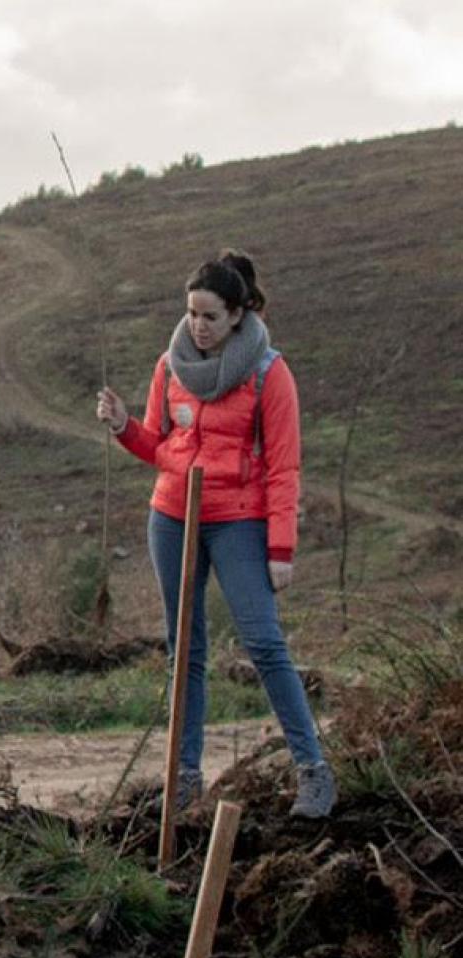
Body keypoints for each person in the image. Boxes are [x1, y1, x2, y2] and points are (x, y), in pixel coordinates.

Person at [95, 250, 334, 818]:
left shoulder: (269, 373)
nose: (198, 326)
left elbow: (285, 467)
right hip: (171, 516)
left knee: (264, 643)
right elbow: (161, 447)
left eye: (209, 316)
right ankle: (184, 779)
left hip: (238, 521)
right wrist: (124, 427)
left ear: (237, 314)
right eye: (191, 314)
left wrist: (281, 548)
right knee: (185, 649)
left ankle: (314, 772)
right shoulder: (170, 365)